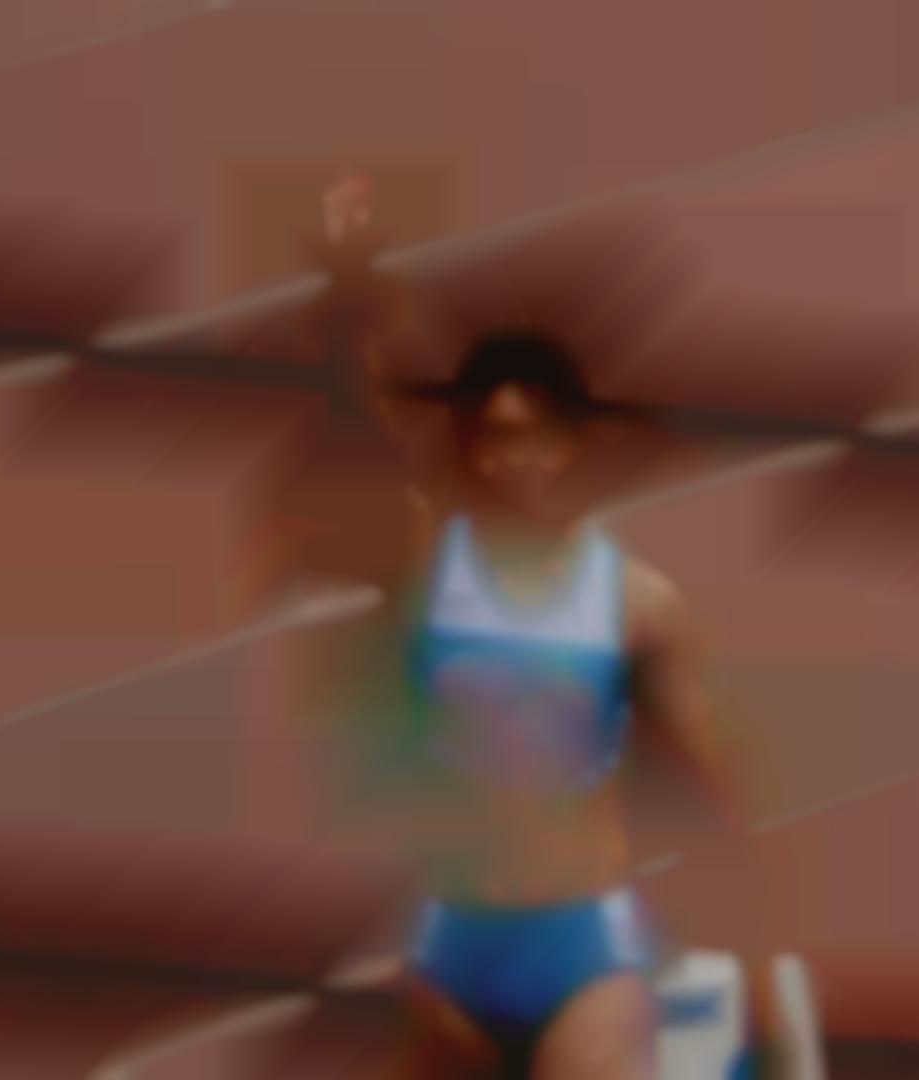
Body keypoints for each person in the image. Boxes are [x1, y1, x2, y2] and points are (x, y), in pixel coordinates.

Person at [297, 173, 773, 1079]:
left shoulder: (636, 603)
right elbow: (362, 429)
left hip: (581, 951)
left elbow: (707, 791)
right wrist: (350, 292)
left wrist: (749, 955)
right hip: (450, 943)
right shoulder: (432, 571)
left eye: (529, 435)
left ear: (569, 443)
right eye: (491, 436)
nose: (509, 458)